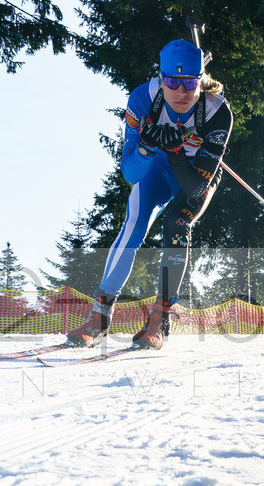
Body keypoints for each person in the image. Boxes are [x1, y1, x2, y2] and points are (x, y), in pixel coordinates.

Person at [67, 39, 233, 350]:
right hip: (157, 167)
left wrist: (177, 152)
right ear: (161, 78)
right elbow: (130, 173)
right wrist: (145, 147)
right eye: (172, 82)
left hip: (195, 172)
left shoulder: (217, 112)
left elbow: (195, 189)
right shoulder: (143, 98)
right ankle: (99, 317)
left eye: (189, 83)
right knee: (134, 223)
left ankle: (160, 319)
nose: (181, 92)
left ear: (200, 81)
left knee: (177, 224)